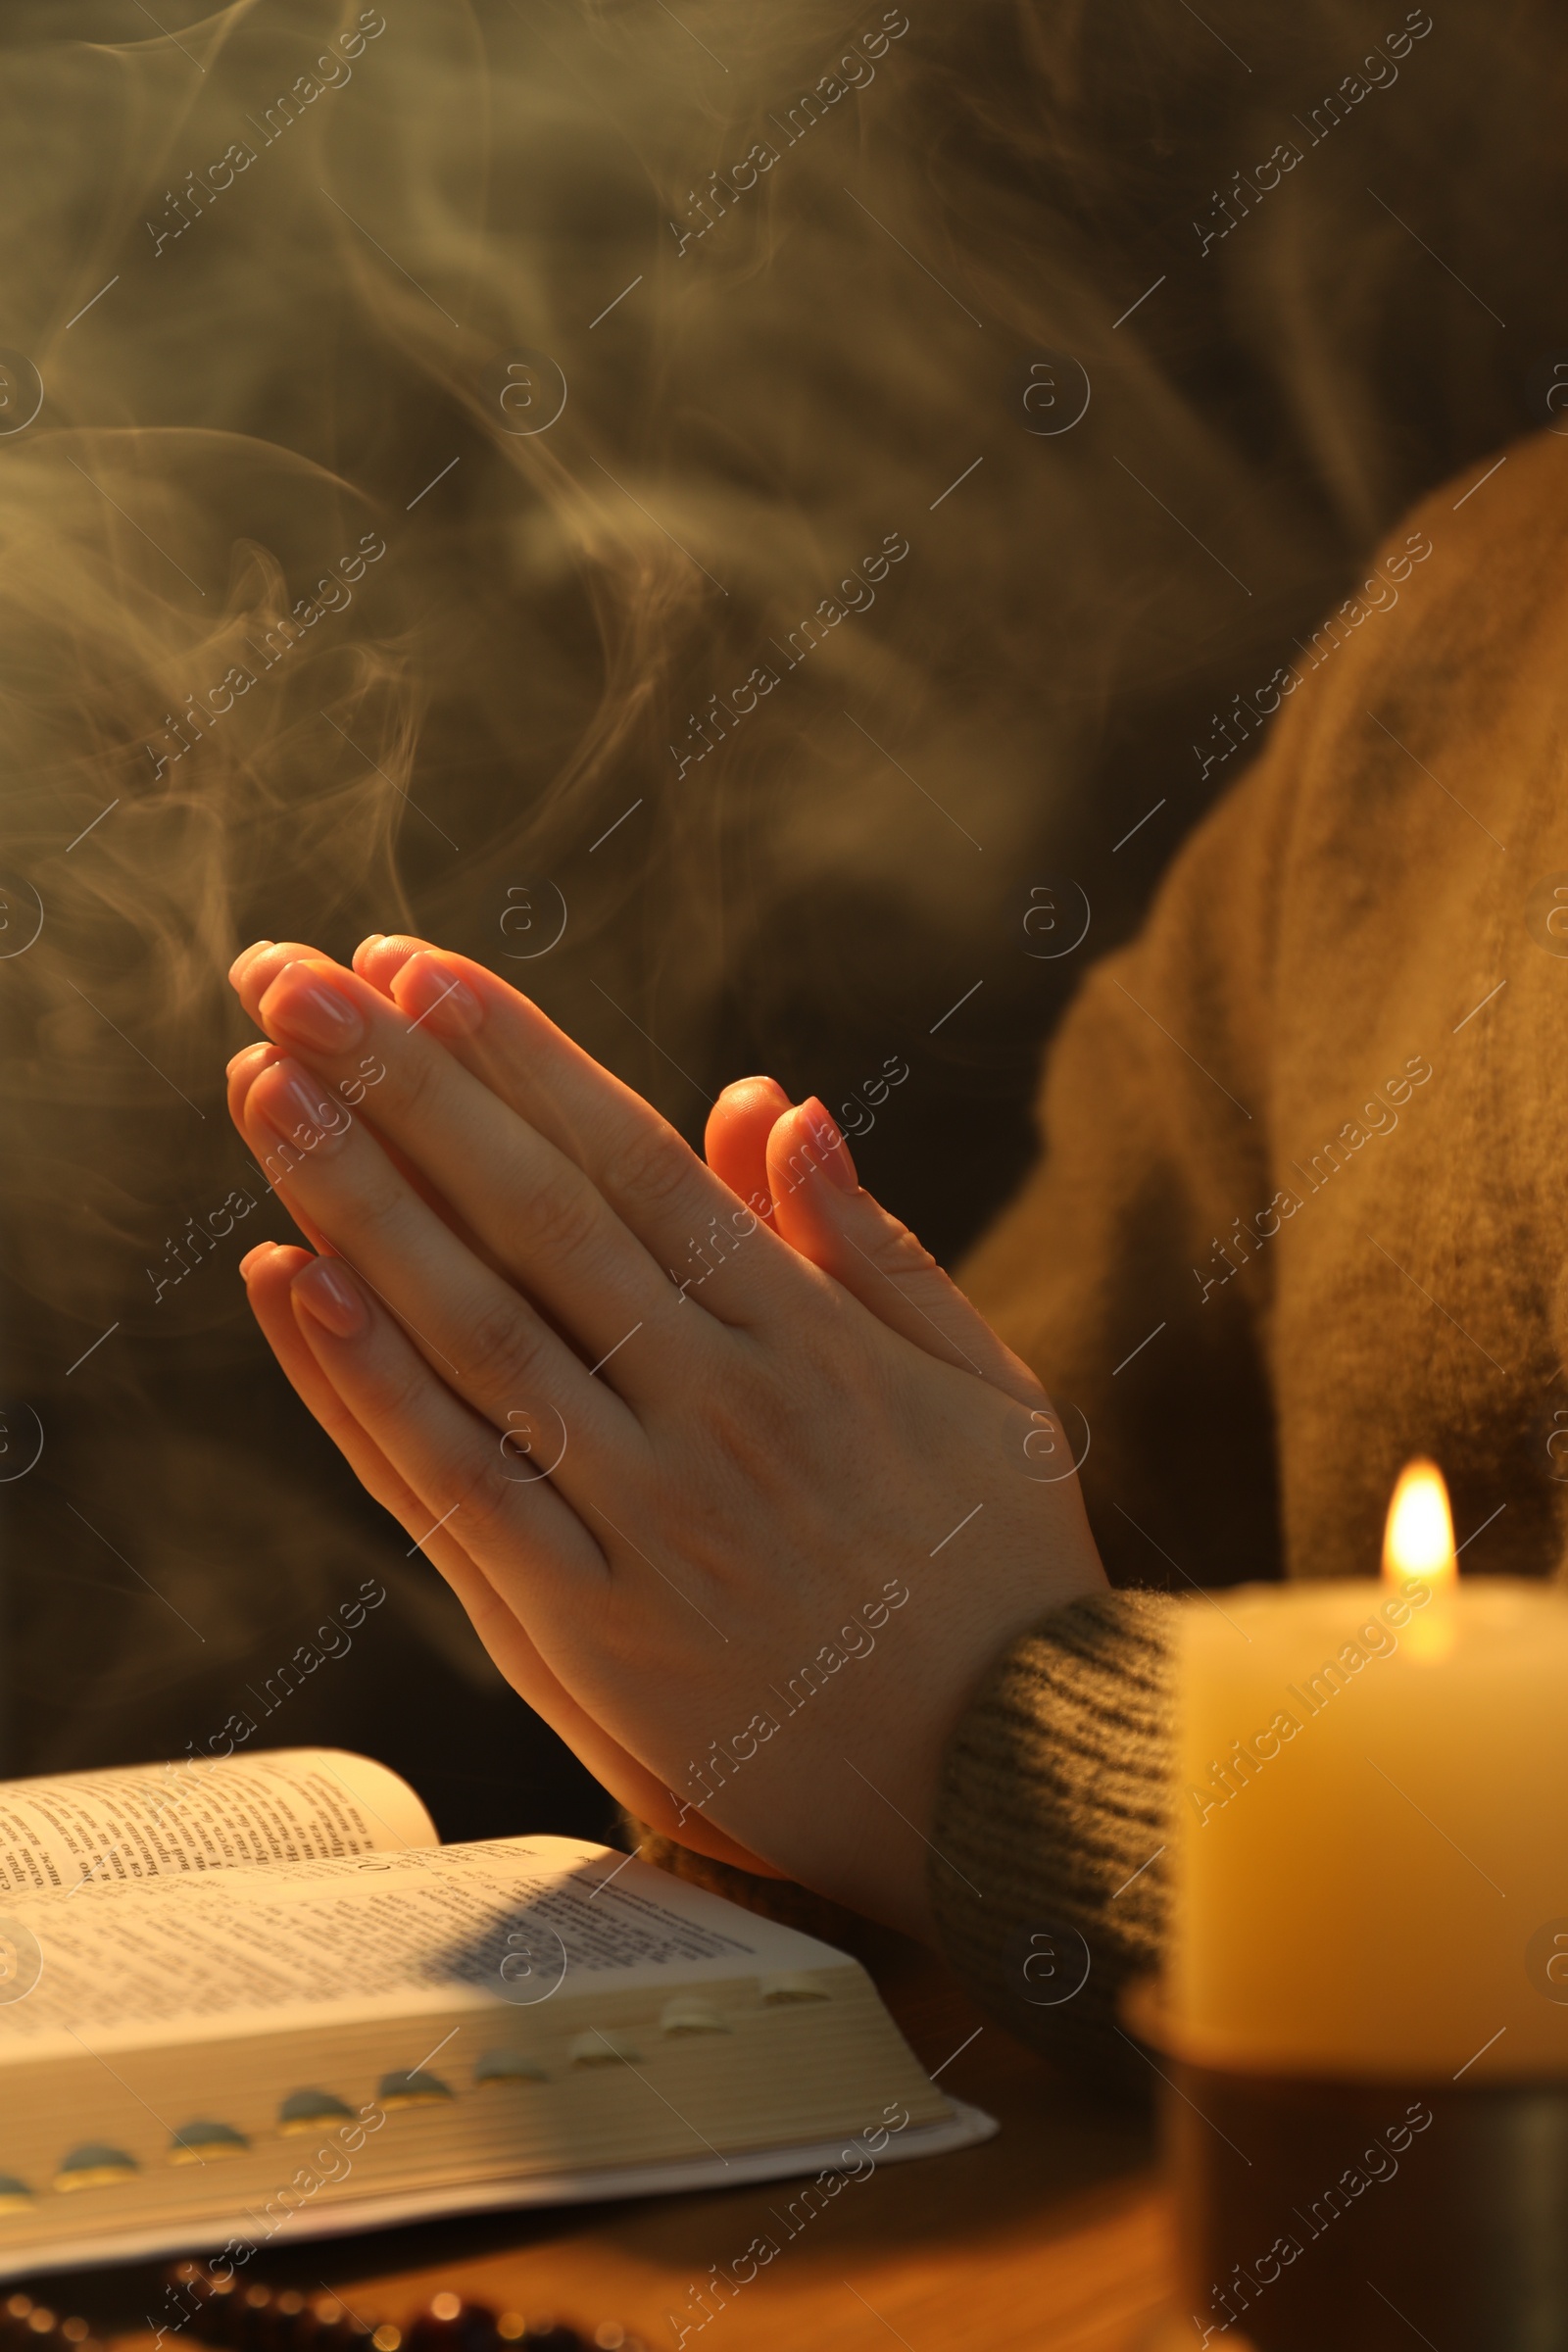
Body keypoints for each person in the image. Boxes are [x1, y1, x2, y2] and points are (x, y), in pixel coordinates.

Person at [224, 429, 1556, 2089]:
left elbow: (966, 1678)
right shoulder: (1481, 617)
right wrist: (723, 1677)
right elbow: (969, 1508)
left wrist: (1008, 1759)